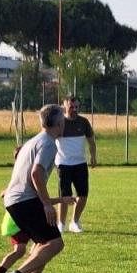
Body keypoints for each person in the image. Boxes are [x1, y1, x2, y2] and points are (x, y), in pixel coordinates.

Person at [0, 104, 67, 273]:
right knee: (55, 243)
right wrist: (47, 204)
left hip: (16, 199)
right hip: (25, 199)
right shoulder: (49, 143)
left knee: (43, 241)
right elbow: (36, 173)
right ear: (59, 123)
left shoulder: (34, 141)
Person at [55, 95, 97, 233]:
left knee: (83, 194)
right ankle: (61, 224)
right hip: (63, 164)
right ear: (65, 107)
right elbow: (49, 140)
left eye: (76, 107)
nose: (74, 109)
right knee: (64, 195)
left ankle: (75, 222)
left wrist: (93, 157)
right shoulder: (59, 123)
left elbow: (91, 141)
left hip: (80, 163)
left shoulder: (83, 122)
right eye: (71, 107)